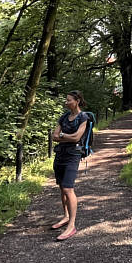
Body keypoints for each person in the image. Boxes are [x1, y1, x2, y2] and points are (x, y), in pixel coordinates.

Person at [50, 90, 89, 241]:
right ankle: (65, 216)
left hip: (73, 156)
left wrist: (62, 136)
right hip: (60, 154)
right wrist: (66, 137)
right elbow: (54, 136)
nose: (66, 103)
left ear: (77, 101)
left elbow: (77, 137)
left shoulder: (83, 117)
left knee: (68, 188)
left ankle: (71, 225)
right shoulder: (64, 117)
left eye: (68, 100)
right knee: (61, 187)